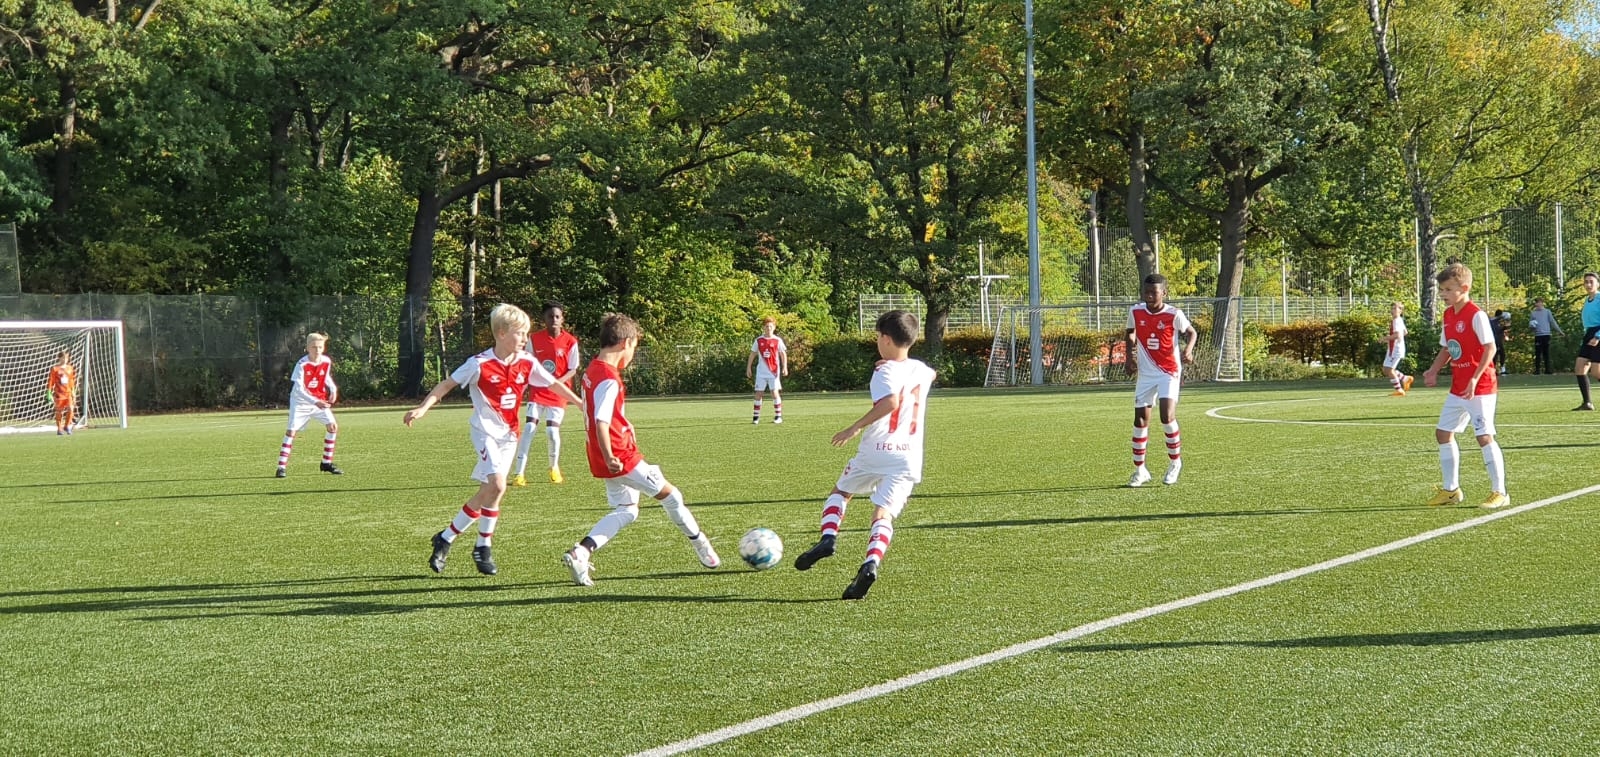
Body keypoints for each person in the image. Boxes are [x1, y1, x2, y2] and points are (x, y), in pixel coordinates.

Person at [406, 304, 582, 576]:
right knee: (498, 484)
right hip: (484, 432)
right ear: (501, 333)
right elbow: (446, 384)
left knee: (491, 491)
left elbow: (553, 383)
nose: (525, 339)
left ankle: (447, 538)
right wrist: (422, 408)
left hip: (509, 435)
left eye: (526, 333)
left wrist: (580, 403)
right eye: (520, 333)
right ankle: (483, 547)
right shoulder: (479, 364)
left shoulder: (527, 362)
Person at [561, 313, 721, 586]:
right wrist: (611, 455)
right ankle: (702, 545)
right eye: (634, 346)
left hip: (600, 453)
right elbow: (600, 421)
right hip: (620, 456)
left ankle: (581, 552)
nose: (632, 354)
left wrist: (624, 424)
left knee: (627, 509)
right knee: (672, 497)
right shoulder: (609, 378)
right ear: (625, 343)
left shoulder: (593, 369)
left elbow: (600, 412)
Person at [791, 310, 936, 600]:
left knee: (841, 492)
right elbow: (929, 373)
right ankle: (870, 564)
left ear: (886, 339)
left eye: (878, 337)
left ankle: (828, 537)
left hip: (877, 450)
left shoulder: (884, 372)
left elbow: (891, 402)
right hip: (908, 456)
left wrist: (854, 427)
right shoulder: (923, 370)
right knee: (883, 514)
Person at [1422, 262, 1508, 509]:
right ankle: (1451, 490)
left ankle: (1500, 492)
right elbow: (1447, 348)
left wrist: (1474, 377)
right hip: (1458, 387)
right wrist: (1433, 370)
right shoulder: (1448, 315)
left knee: (1484, 436)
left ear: (1464, 288)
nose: (1443, 294)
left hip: (1480, 387)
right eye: (1442, 289)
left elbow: (1490, 348)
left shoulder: (1476, 315)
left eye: (1448, 289)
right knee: (1443, 433)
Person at [1124, 274, 1198, 487]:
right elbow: (1130, 333)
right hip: (1146, 374)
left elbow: (1191, 332)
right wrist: (1129, 358)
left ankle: (1175, 463)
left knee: (1167, 416)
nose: (1149, 295)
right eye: (1146, 292)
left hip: (1169, 371)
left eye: (1153, 292)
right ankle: (1140, 470)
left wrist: (1188, 350)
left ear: (1164, 293)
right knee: (1140, 421)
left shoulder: (1174, 314)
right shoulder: (1136, 311)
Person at [512, 301, 580, 486]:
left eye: (557, 316)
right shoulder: (534, 339)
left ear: (562, 319)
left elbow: (573, 369)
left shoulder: (570, 342)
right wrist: (523, 386)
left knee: (551, 430)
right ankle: (519, 473)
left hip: (558, 392)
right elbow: (527, 364)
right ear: (544, 319)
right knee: (529, 428)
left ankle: (554, 468)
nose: (554, 320)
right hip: (538, 390)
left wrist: (556, 383)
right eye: (550, 316)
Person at [275, 333, 343, 477]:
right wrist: (315, 401)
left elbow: (325, 376)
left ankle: (326, 463)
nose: (317, 350)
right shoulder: (302, 365)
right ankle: (281, 467)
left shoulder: (326, 361)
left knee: (332, 427)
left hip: (318, 400)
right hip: (300, 402)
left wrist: (333, 389)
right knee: (291, 432)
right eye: (314, 347)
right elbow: (299, 389)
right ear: (307, 348)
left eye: (320, 347)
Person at [746, 316, 788, 424]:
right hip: (761, 372)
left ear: (774, 327)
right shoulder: (758, 340)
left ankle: (778, 416)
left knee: (774, 392)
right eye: (766, 326)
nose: (768, 328)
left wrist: (785, 367)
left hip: (773, 371)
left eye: (770, 326)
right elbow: (752, 354)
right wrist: (748, 367)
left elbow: (783, 354)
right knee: (758, 393)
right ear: (763, 327)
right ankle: (756, 417)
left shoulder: (777, 340)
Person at [1574, 271, 1600, 411]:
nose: (1588, 284)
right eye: (1586, 282)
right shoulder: (1587, 299)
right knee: (1579, 368)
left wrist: (1597, 337)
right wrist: (1587, 336)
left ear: (1598, 284)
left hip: (1597, 334)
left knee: (1596, 372)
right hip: (1589, 335)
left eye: (1591, 282)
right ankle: (1587, 403)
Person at [1383, 301, 1414, 396]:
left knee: (1389, 370)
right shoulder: (1399, 320)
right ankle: (1405, 378)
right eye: (1392, 308)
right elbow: (1405, 332)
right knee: (1386, 369)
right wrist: (1393, 339)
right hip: (1393, 348)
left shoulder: (1396, 321)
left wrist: (1386, 338)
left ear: (1400, 310)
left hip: (1395, 349)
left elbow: (1397, 335)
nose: (1392, 310)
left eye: (1395, 308)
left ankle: (1399, 390)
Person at [1528, 297, 1563, 375]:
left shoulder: (1547, 312)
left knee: (1546, 352)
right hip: (1538, 335)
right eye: (1536, 303)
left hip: (1546, 334)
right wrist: (1532, 326)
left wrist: (1560, 331)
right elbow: (1531, 325)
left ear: (1542, 303)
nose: (1537, 304)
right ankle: (1537, 370)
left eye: (1539, 302)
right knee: (1538, 353)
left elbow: (1552, 322)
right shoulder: (1533, 313)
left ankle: (1548, 369)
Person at [47, 350, 77, 435]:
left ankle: (66, 426)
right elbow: (51, 381)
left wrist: (73, 392)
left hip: (68, 393)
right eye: (63, 358)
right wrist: (49, 392)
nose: (65, 360)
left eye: (66, 358)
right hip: (59, 394)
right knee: (59, 411)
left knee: (71, 408)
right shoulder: (55, 369)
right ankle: (59, 428)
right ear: (59, 358)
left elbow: (71, 381)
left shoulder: (70, 368)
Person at [1490, 309, 1510, 375]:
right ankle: (1494, 370)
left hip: (1499, 340)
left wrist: (1505, 333)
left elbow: (1501, 330)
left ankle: (1502, 369)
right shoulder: (1493, 321)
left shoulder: (1498, 321)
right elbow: (1497, 330)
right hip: (1496, 340)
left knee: (1502, 354)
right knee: (1495, 355)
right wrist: (1504, 328)